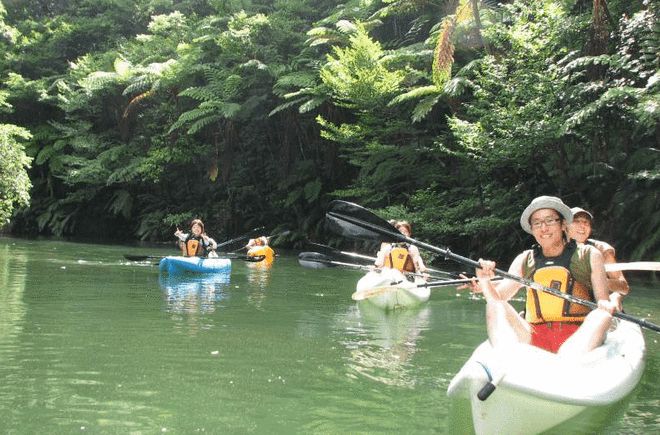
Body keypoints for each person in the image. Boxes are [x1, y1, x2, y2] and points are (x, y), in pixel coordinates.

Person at [472, 196, 622, 355]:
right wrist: (485, 280)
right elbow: (497, 298)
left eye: (550, 220)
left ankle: (567, 361)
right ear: (532, 228)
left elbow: (602, 301)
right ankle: (505, 361)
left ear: (564, 224)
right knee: (495, 305)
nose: (543, 228)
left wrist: (607, 305)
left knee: (602, 314)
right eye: (537, 223)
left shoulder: (590, 255)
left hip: (577, 337)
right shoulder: (525, 259)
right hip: (533, 336)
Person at [568, 206, 629, 295]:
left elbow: (624, 287)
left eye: (586, 222)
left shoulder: (601, 249)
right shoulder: (556, 247)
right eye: (576, 221)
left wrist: (595, 280)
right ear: (564, 226)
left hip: (596, 302)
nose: (583, 225)